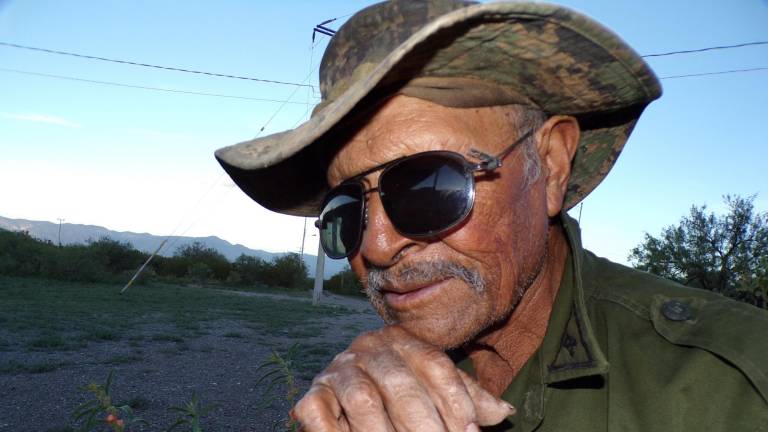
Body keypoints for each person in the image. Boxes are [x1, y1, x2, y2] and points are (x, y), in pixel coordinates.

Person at [215, 1, 768, 430]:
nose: (377, 247)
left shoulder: (735, 389)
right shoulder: (375, 382)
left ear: (549, 166)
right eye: (349, 208)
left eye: (430, 186)